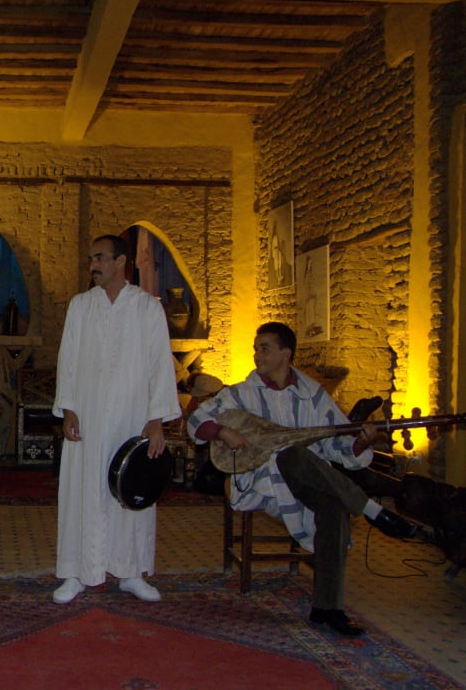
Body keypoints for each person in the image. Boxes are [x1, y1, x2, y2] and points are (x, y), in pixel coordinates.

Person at [187, 321, 426, 636]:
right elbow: (194, 420)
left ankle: (328, 608)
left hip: (309, 479)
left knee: (333, 508)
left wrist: (362, 441)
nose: (256, 354)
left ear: (286, 353)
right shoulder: (242, 394)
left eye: (264, 348)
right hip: (264, 480)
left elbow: (336, 442)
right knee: (292, 454)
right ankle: (371, 509)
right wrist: (222, 430)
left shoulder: (312, 394)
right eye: (256, 348)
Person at [51, 234, 181, 604]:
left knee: (130, 489)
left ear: (121, 261)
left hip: (132, 417)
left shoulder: (147, 309)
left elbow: (160, 364)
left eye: (100, 258)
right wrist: (69, 407)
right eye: (91, 258)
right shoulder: (80, 306)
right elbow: (68, 359)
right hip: (88, 419)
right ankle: (77, 571)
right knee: (83, 490)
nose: (93, 265)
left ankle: (131, 571)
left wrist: (156, 419)